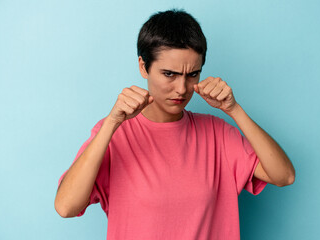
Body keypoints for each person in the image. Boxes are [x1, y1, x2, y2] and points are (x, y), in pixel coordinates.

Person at [54, 8, 295, 239]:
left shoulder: (216, 133)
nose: (182, 89)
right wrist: (112, 123)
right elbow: (66, 207)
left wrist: (234, 109)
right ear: (143, 67)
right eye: (169, 74)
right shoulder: (114, 134)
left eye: (192, 74)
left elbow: (284, 176)